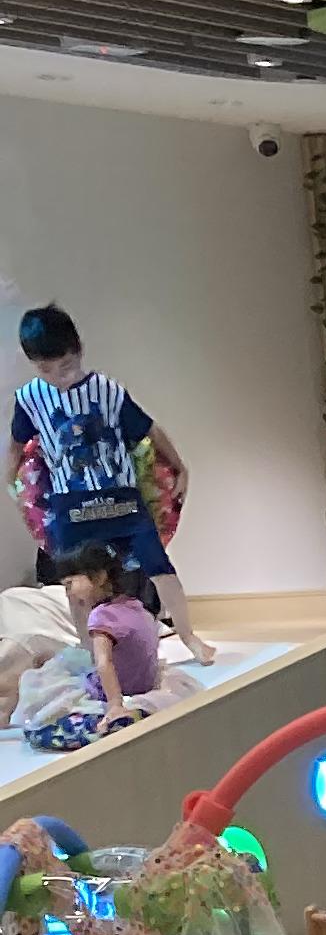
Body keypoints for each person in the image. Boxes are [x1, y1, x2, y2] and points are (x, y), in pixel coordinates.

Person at [9, 303, 211, 661]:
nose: (59, 377)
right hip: (70, 507)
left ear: (79, 350)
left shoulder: (106, 390)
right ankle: (90, 653)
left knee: (159, 568)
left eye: (66, 365)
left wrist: (181, 467)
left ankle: (189, 637)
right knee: (76, 585)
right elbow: (16, 446)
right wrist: (11, 487)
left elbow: (149, 430)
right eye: (46, 369)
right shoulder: (30, 399)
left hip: (122, 501)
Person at [64, 544, 164, 714]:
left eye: (69, 584)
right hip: (144, 685)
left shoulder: (101, 616)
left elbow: (104, 663)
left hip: (114, 690)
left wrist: (114, 704)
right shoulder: (135, 605)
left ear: (99, 577)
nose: (68, 593)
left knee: (55, 679)